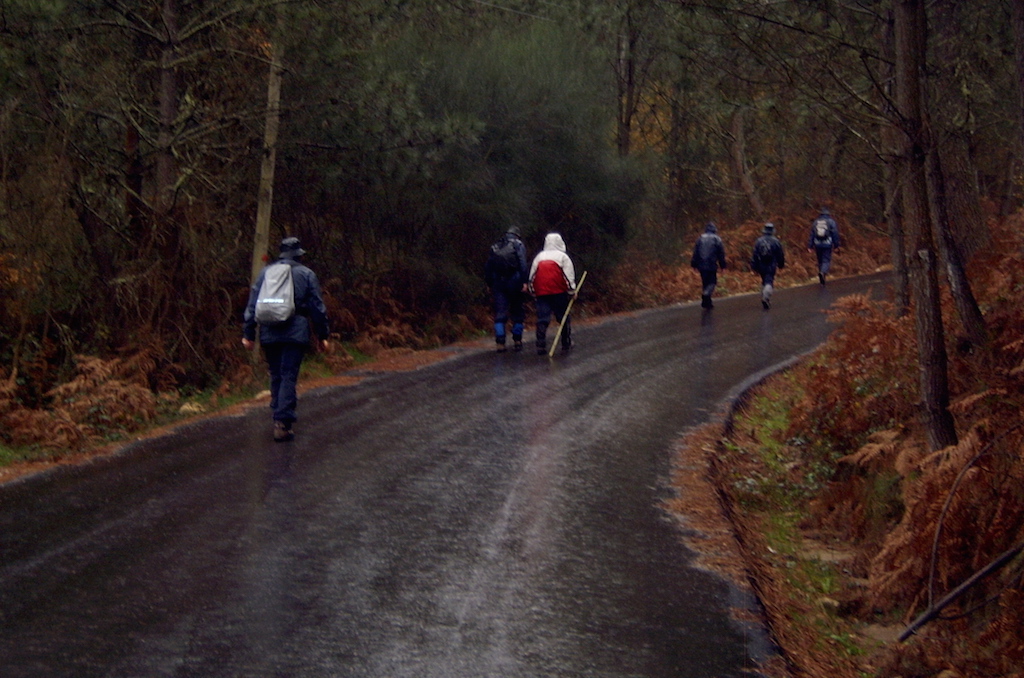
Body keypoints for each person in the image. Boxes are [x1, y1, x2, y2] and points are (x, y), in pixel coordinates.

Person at [243, 237, 330, 442]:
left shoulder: (265, 273)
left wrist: (248, 333)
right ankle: (282, 422)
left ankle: (278, 413)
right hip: (295, 331)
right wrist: (323, 335)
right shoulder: (306, 274)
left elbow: (253, 304)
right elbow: (317, 308)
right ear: (299, 255)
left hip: (269, 331)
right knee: (288, 374)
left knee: (276, 374)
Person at [529, 232, 577, 355]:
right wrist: (572, 291)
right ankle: (566, 342)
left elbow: (532, 276)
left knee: (542, 318)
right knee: (563, 317)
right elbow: (569, 276)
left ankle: (540, 344)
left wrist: (533, 291)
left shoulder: (539, 257)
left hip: (541, 293)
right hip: (559, 292)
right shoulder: (563, 257)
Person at [484, 226, 529, 352]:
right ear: (517, 235)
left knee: (500, 312)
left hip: (498, 283)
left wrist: (489, 283)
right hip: (515, 282)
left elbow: (488, 267)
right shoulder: (518, 245)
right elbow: (523, 264)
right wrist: (524, 281)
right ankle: (517, 340)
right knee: (517, 311)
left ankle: (500, 342)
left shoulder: (496, 246)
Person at [690, 221, 728, 309]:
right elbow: (721, 254)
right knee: (712, 282)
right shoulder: (717, 239)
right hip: (711, 264)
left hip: (701, 265)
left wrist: (694, 264)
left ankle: (707, 302)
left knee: (705, 283)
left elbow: (696, 252)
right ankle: (706, 295)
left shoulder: (700, 238)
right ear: (714, 230)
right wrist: (723, 266)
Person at [750, 222, 786, 310]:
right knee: (769, 281)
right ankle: (765, 297)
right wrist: (781, 264)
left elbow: (755, 254)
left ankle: (764, 296)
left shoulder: (759, 241)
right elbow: (780, 254)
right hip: (771, 264)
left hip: (761, 264)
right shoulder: (776, 241)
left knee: (764, 280)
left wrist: (754, 265)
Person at [807, 207, 841, 285]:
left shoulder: (816, 222)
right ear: (828, 214)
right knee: (826, 260)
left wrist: (810, 246)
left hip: (817, 244)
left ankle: (821, 276)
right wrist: (836, 245)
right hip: (827, 244)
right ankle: (822, 273)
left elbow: (812, 234)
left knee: (820, 260)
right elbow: (835, 234)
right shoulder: (831, 222)